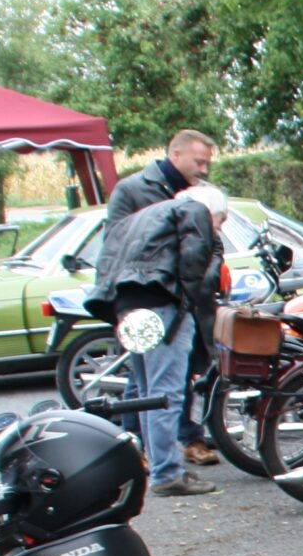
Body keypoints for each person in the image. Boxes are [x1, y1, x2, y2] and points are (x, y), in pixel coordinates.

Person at [83, 182, 227, 499]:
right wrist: (195, 305)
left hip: (128, 306)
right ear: (213, 211)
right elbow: (194, 266)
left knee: (148, 392)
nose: (218, 228)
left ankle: (161, 464)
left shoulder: (145, 215)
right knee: (167, 393)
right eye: (221, 220)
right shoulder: (195, 210)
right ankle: (168, 474)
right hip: (163, 306)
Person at [103, 130, 221, 467]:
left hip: (167, 299)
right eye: (199, 162)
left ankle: (173, 447)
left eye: (207, 163)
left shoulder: (193, 192)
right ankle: (146, 456)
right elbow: (114, 246)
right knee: (152, 385)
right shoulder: (133, 189)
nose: (204, 170)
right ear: (176, 155)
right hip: (153, 299)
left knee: (161, 380)